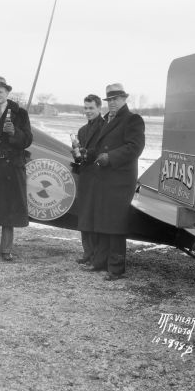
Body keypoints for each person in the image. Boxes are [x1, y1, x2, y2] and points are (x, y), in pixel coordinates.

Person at [78, 83, 145, 281]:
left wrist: (111, 157)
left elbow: (135, 147)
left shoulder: (132, 119)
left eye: (116, 99)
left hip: (120, 180)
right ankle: (100, 263)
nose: (112, 103)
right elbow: (98, 149)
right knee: (103, 221)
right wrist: (86, 154)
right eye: (110, 100)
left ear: (124, 99)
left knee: (115, 224)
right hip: (105, 178)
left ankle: (116, 269)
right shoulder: (107, 120)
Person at [0, 76, 32, 261]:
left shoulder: (20, 113)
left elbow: (27, 140)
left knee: (9, 208)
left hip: (12, 165)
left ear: (7, 92)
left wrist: (14, 133)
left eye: (0, 91)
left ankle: (6, 250)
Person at [71, 94, 106, 266]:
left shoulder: (106, 127)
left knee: (95, 216)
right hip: (85, 176)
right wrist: (76, 154)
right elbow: (80, 158)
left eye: (91, 108)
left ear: (99, 108)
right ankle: (87, 252)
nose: (88, 111)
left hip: (99, 176)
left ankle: (97, 255)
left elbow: (100, 151)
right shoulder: (82, 130)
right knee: (84, 215)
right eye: (86, 108)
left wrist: (85, 153)